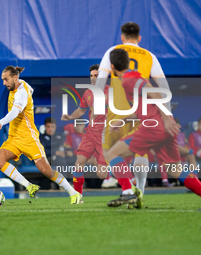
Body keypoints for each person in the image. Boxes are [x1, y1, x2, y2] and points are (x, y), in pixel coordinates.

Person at [105, 48, 201, 207]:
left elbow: (156, 93)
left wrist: (165, 118)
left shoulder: (129, 79)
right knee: (175, 169)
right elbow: (143, 109)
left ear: (112, 67)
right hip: (164, 127)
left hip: (155, 126)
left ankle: (128, 192)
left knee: (112, 153)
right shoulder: (133, 77)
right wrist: (122, 121)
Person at [95, 22, 171, 199]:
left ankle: (126, 189)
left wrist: (97, 108)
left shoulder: (112, 51)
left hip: (116, 111)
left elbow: (100, 81)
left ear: (122, 37)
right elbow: (164, 86)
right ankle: (141, 191)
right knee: (140, 151)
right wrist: (166, 114)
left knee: (109, 152)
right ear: (139, 38)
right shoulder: (149, 56)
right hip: (141, 112)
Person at [0, 66, 82, 204]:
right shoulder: (22, 85)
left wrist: (1, 122)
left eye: (6, 79)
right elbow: (31, 90)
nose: (4, 83)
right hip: (14, 138)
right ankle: (29, 185)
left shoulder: (21, 93)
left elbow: (15, 113)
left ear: (15, 78)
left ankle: (73, 193)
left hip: (29, 138)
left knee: (46, 170)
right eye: (3, 80)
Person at [61, 64, 108, 194]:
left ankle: (121, 169)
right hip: (90, 133)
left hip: (105, 134)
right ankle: (77, 196)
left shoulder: (111, 92)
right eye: (91, 76)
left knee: (102, 175)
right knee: (78, 163)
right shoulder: (88, 92)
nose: (93, 79)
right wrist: (70, 116)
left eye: (96, 76)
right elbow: (81, 110)